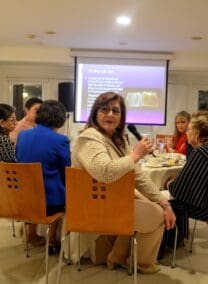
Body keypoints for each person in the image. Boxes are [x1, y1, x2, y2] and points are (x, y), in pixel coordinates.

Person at [71, 92, 176, 274]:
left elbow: (137, 175)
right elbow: (105, 172)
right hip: (95, 205)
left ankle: (118, 256)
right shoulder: (89, 137)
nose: (110, 114)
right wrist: (135, 154)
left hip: (112, 200)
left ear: (121, 118)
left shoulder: (118, 139)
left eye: (115, 111)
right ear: (96, 113)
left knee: (159, 206)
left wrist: (163, 201)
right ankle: (140, 262)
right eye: (105, 109)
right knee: (157, 215)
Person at [166, 111, 208, 239]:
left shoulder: (202, 152)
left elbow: (179, 191)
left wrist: (169, 184)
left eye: (188, 129)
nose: (186, 132)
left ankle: (174, 241)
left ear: (197, 133)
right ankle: (179, 237)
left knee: (164, 203)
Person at [16, 100, 71, 254]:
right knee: (61, 190)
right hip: (50, 201)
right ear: (59, 119)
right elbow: (66, 169)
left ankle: (31, 234)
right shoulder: (60, 140)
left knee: (40, 186)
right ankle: (52, 239)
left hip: (24, 196)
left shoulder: (23, 136)